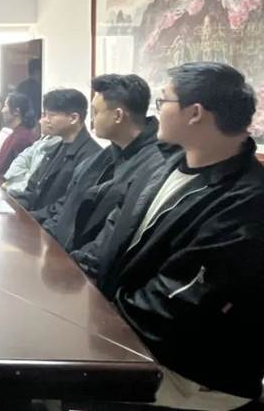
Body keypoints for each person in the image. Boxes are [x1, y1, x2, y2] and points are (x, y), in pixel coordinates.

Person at [74, 63, 264, 409]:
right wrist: (73, 280)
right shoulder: (163, 165)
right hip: (125, 339)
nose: (156, 111)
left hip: (188, 377)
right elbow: (111, 237)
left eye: (163, 101)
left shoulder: (248, 201)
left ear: (195, 113)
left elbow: (173, 306)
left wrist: (94, 319)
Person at [37, 75, 167, 252]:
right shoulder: (103, 156)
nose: (92, 119)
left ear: (118, 115)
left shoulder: (154, 165)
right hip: (59, 252)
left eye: (96, 112)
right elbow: (66, 208)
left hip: (80, 264)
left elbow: (109, 240)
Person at [15, 88, 101, 212]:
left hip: (49, 222)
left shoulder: (92, 156)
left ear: (73, 118)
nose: (45, 120)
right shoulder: (56, 148)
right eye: (45, 115)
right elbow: (32, 189)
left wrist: (30, 217)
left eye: (51, 115)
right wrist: (15, 208)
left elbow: (66, 208)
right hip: (34, 218)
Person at [2, 115, 61, 197]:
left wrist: (12, 186)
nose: (40, 121)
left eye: (45, 115)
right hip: (19, 190)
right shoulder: (44, 139)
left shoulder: (58, 146)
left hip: (29, 197)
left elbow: (35, 182)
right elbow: (21, 158)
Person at [0, 93, 37, 178]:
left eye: (5, 106)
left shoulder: (23, 138)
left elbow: (16, 174)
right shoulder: (16, 134)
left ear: (16, 111)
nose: (2, 110)